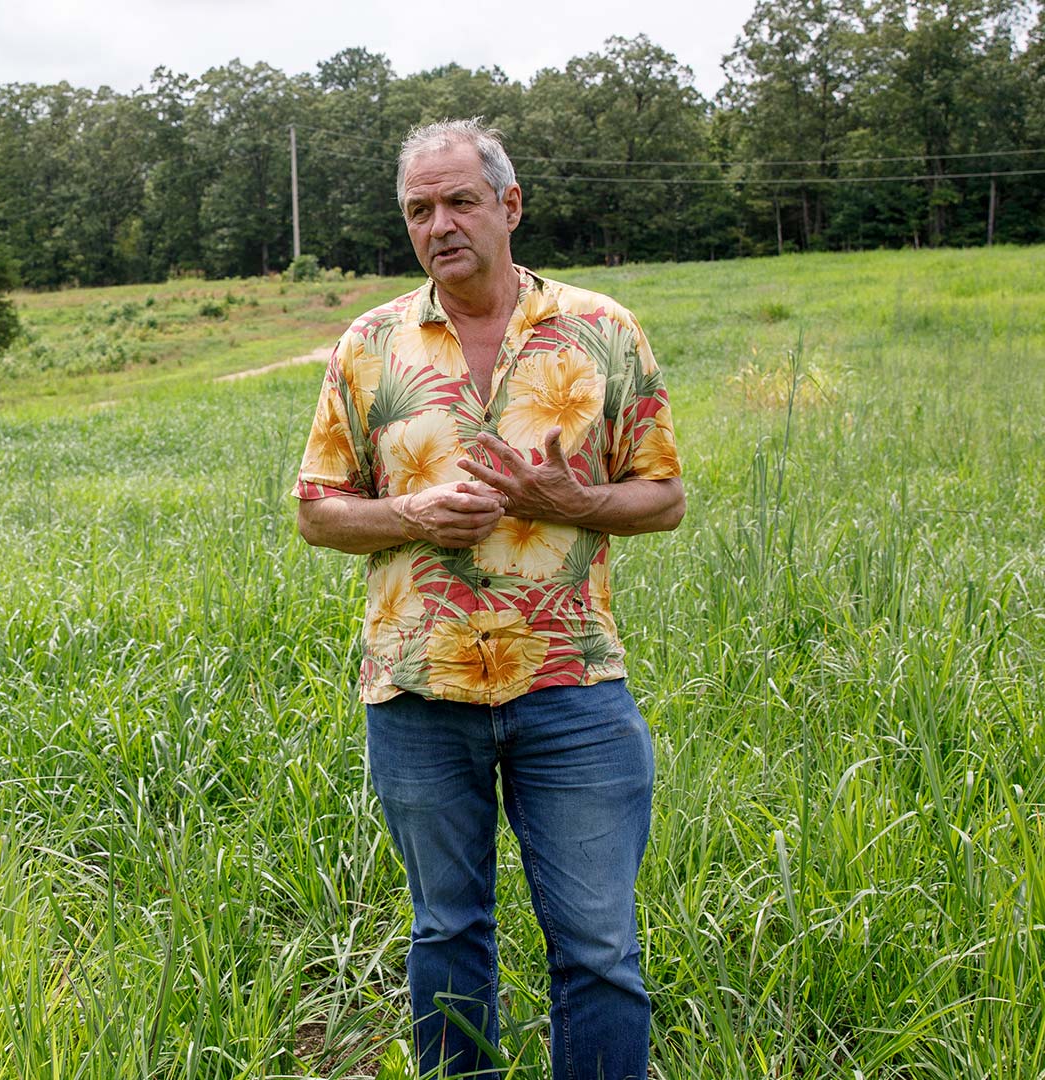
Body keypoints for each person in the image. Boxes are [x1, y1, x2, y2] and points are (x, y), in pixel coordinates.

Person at [291, 119, 685, 1080]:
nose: (440, 224)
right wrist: (418, 512)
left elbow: (665, 496)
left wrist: (573, 500)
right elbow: (317, 510)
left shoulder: (602, 330)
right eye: (419, 209)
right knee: (447, 937)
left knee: (599, 947)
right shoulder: (369, 344)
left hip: (571, 686)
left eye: (460, 200)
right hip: (419, 690)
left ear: (509, 206)